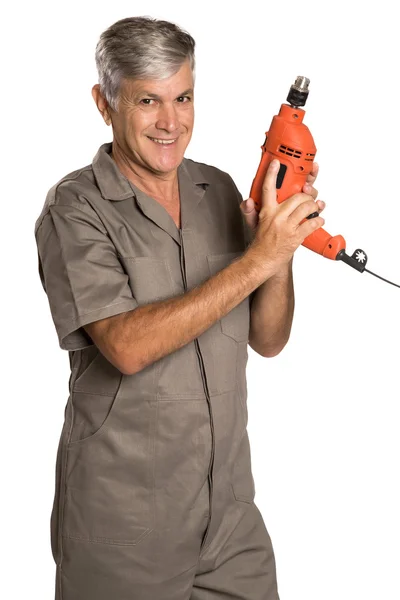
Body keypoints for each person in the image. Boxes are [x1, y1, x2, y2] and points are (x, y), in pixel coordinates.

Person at [34, 16, 325, 600]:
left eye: (183, 97)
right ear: (105, 102)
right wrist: (255, 259)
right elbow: (126, 345)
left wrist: (280, 245)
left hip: (230, 522)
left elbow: (269, 340)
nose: (171, 122)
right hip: (124, 530)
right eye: (148, 100)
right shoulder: (77, 208)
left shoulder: (216, 190)